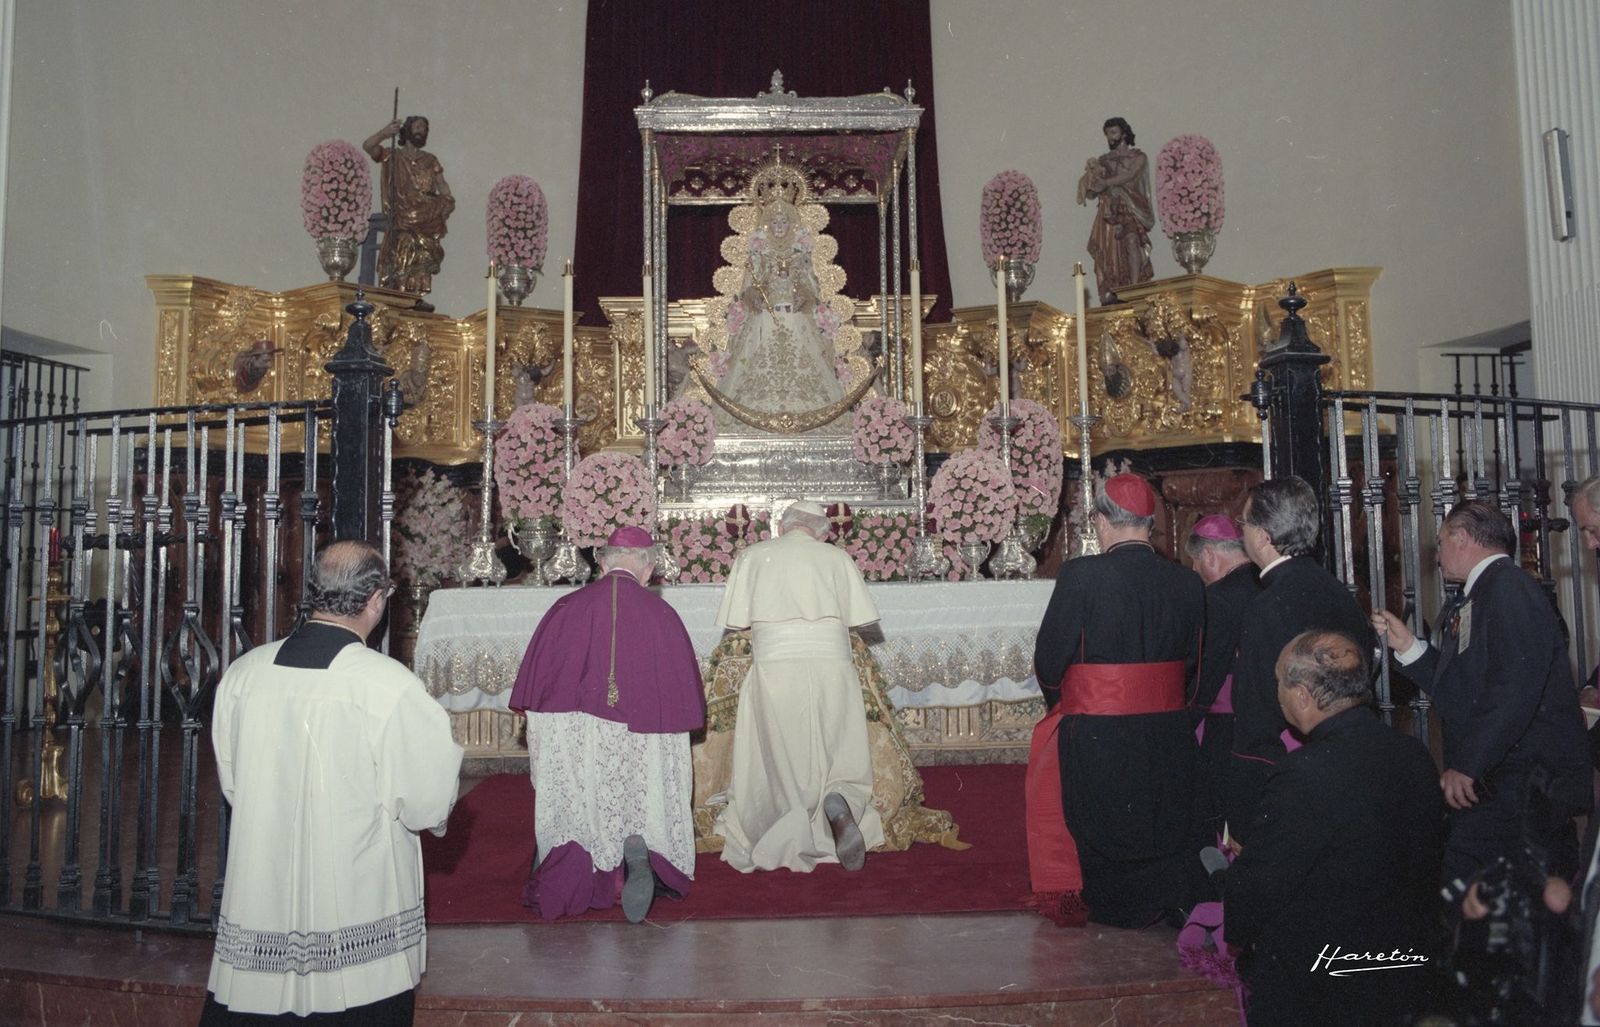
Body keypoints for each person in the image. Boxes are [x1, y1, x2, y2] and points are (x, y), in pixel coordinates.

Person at [202, 540, 463, 1023]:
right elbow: (427, 804)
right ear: (375, 601)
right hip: (357, 909)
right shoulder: (389, 685)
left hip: (264, 893)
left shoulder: (244, 674)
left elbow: (234, 784)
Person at [1219, 630, 1445, 1027]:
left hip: (1323, 985)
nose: (1277, 694)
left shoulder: (1303, 774)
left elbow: (1258, 888)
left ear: (1303, 696)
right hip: (1407, 971)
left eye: (1279, 683)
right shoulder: (1414, 755)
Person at [1374, 499, 1590, 886]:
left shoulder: (1507, 588)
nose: (1437, 557)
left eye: (1440, 543)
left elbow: (1514, 687)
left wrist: (1470, 763)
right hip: (1508, 786)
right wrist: (1408, 646)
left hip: (1518, 788)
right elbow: (1468, 689)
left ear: (1461, 538)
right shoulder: (1488, 591)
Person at [1033, 472, 1204, 927]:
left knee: (1104, 816)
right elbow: (1195, 665)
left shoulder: (1080, 575)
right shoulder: (1187, 583)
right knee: (1160, 811)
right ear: (1149, 523)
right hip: (1168, 727)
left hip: (1098, 727)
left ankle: (1115, 906)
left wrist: (1075, 700)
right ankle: (1163, 901)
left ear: (1100, 522)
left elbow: (1049, 660)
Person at [508, 526, 704, 923]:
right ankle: (639, 849)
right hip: (642, 728)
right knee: (641, 779)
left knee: (580, 786)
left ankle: (581, 857)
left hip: (574, 728)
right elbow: (683, 708)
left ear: (601, 562)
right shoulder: (662, 615)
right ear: (648, 567)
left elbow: (535, 693)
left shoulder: (564, 609)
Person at [712, 500, 882, 872]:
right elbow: (861, 620)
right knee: (834, 742)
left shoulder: (755, 556)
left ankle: (787, 818)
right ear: (822, 531)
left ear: (782, 527)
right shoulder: (835, 558)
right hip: (831, 665)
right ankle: (838, 800)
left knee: (780, 751)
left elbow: (737, 622)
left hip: (776, 666)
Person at [1226, 476, 1372, 850]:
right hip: (1352, 765)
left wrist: (1244, 814)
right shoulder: (1338, 592)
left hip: (1291, 777)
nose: (1243, 534)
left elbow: (1256, 714)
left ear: (1262, 536)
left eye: (1244, 525)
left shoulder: (1266, 607)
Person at [714, 168, 846, 420]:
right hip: (764, 319)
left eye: (783, 222)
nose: (778, 227)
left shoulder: (799, 253)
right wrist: (753, 294)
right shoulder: (760, 252)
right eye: (774, 222)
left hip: (795, 319)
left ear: (791, 223)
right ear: (766, 224)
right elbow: (747, 288)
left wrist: (804, 296)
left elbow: (811, 285)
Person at [1186, 513, 1261, 848]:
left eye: (1195, 562)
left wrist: (1186, 715)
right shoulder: (1268, 582)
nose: (1195, 572)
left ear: (1210, 556)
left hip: (1227, 725)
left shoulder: (1217, 599)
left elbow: (1208, 671)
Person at [364, 115, 455, 307]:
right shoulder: (393, 156)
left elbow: (442, 184)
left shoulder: (431, 160)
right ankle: (400, 293)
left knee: (424, 253)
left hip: (427, 215)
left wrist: (448, 200)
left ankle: (416, 296)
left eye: (424, 129)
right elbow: (369, 146)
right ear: (407, 130)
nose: (421, 131)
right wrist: (384, 133)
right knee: (404, 246)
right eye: (418, 126)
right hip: (402, 216)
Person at [1075, 116, 1155, 305]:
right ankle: (1111, 289)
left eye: (1114, 133)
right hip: (1109, 210)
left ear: (1124, 133)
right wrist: (1091, 175)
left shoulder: (1138, 157)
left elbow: (1129, 175)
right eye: (1107, 134)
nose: (1110, 138)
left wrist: (1106, 182)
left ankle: (1134, 288)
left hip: (1131, 207)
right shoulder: (1104, 160)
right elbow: (1094, 190)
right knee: (1107, 249)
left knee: (1132, 241)